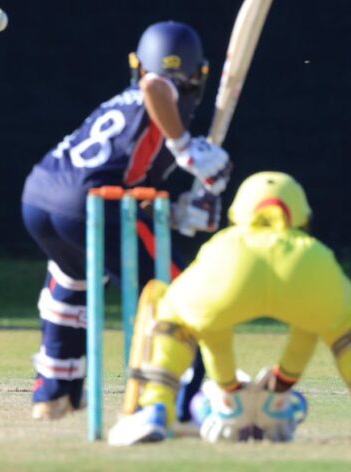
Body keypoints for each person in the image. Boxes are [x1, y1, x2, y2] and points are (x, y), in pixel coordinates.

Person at [21, 21, 231, 420]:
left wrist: (182, 210)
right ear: (198, 73)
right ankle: (183, 400)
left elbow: (132, 187)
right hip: (86, 205)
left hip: (38, 198)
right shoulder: (157, 94)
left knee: (71, 278)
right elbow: (157, 86)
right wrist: (186, 148)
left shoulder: (121, 105)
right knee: (179, 292)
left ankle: (54, 392)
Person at [108, 171, 351, 444]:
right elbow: (309, 328)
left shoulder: (222, 245)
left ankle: (154, 409)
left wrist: (228, 387)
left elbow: (211, 328)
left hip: (233, 261)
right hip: (306, 264)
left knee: (172, 312)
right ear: (301, 216)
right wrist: (281, 385)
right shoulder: (315, 251)